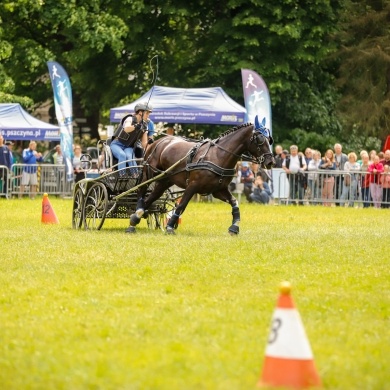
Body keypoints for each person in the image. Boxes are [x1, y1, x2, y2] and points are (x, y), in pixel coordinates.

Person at [110, 102, 152, 174]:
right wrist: (135, 126)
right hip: (117, 144)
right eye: (147, 113)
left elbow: (144, 143)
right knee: (122, 155)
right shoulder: (130, 119)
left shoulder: (145, 126)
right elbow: (126, 129)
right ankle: (122, 176)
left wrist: (151, 147)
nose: (148, 115)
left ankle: (135, 176)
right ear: (140, 112)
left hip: (129, 146)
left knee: (130, 157)